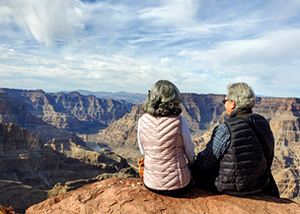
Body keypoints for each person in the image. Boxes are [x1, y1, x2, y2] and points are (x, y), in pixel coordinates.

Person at [191, 82, 279, 197]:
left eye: (225, 101)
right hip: (259, 186)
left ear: (232, 103)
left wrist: (191, 170)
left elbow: (205, 162)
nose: (224, 105)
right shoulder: (263, 122)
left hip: (230, 189)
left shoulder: (226, 128)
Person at [138, 80, 195, 197]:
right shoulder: (180, 121)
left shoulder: (142, 120)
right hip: (179, 185)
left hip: (150, 184)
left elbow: (143, 151)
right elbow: (190, 154)